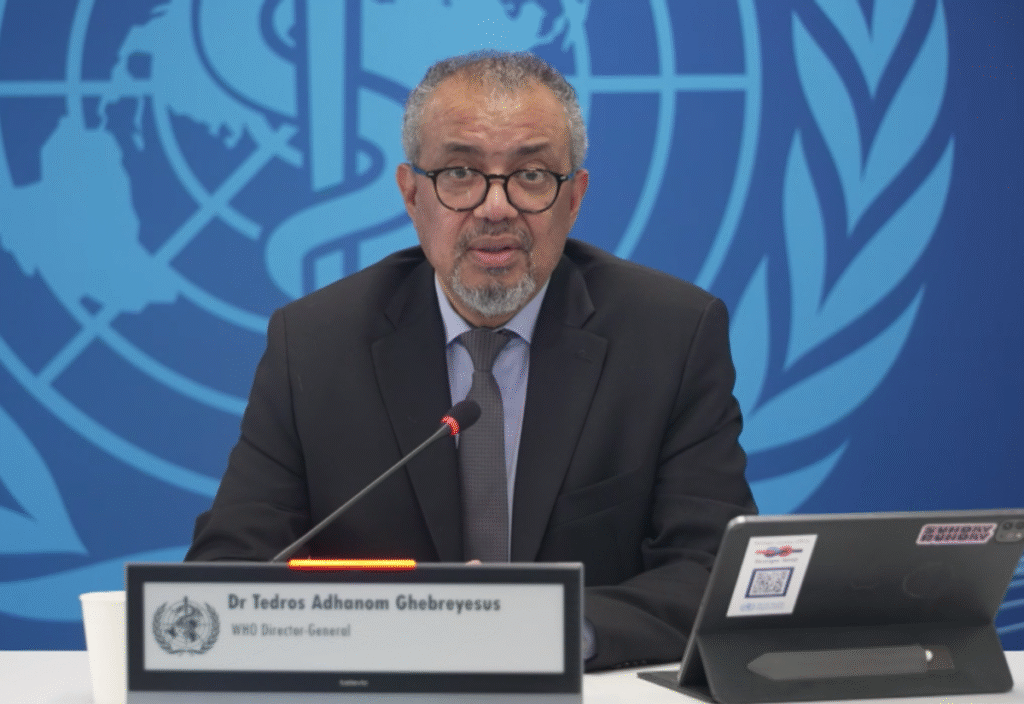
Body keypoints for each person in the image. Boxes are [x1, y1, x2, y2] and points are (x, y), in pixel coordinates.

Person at [185, 50, 756, 671]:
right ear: (411, 194)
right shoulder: (316, 345)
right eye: (461, 172)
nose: (495, 207)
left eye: (531, 174)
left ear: (574, 198)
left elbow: (713, 572)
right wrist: (398, 629)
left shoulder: (670, 337)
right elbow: (227, 573)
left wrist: (551, 630)